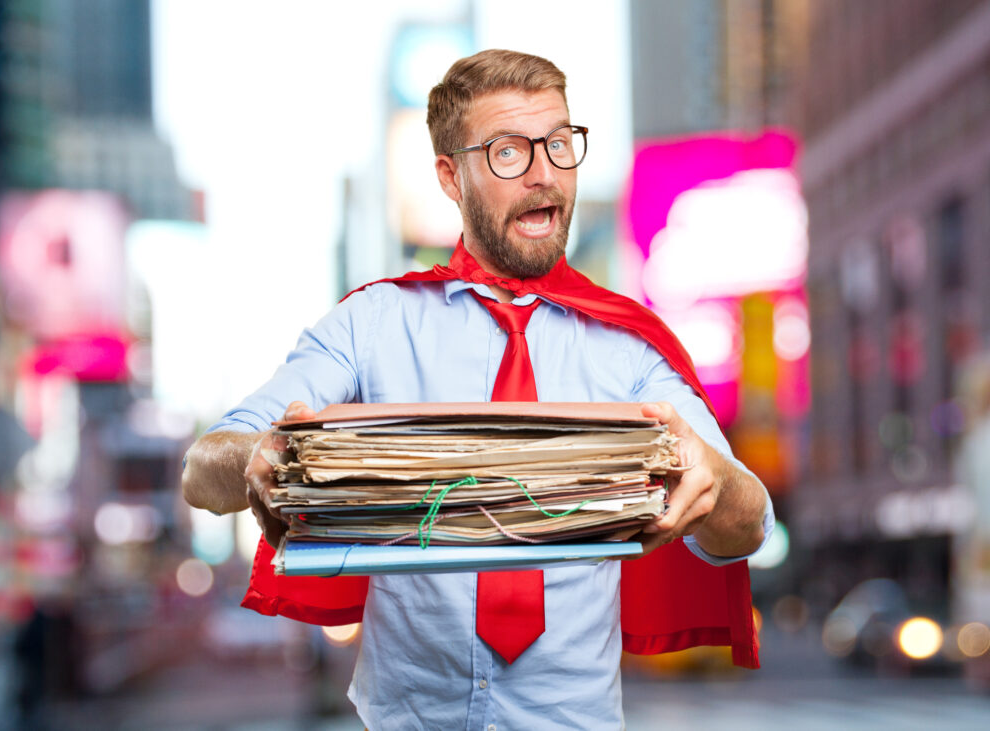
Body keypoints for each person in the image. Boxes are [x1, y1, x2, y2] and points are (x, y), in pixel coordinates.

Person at [182, 49, 773, 729]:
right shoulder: (373, 325)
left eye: (558, 143)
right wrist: (258, 458)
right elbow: (204, 468)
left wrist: (715, 484)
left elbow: (749, 521)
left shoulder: (632, 348)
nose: (545, 173)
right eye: (507, 153)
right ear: (450, 176)